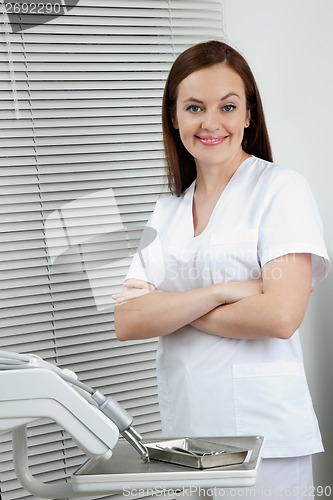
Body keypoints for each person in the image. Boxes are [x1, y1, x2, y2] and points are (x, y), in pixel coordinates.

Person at [112, 40, 330, 498]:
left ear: (248, 114)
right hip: (187, 443)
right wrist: (222, 291)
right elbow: (128, 320)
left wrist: (171, 307)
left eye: (227, 106)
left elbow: (280, 316)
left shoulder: (280, 190)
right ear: (175, 117)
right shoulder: (166, 211)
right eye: (194, 107)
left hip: (266, 441)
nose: (211, 122)